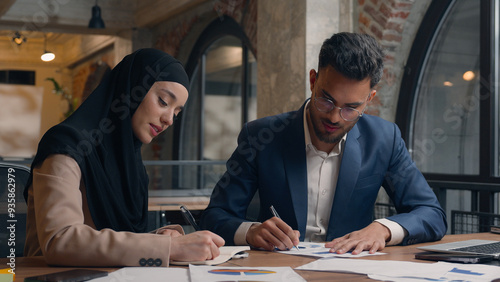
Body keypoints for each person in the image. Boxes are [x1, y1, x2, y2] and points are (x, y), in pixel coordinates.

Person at [200, 32, 447, 254]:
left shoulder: (384, 139)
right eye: (326, 100)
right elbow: (214, 216)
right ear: (313, 81)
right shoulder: (260, 137)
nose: (334, 116)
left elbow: (431, 213)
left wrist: (383, 229)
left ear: (369, 99)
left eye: (351, 108)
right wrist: (251, 231)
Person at [23, 48, 224, 267]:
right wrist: (170, 248)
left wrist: (162, 238)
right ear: (132, 89)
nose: (169, 120)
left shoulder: (132, 165)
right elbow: (60, 241)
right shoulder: (67, 146)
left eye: (176, 113)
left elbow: (112, 238)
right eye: (164, 102)